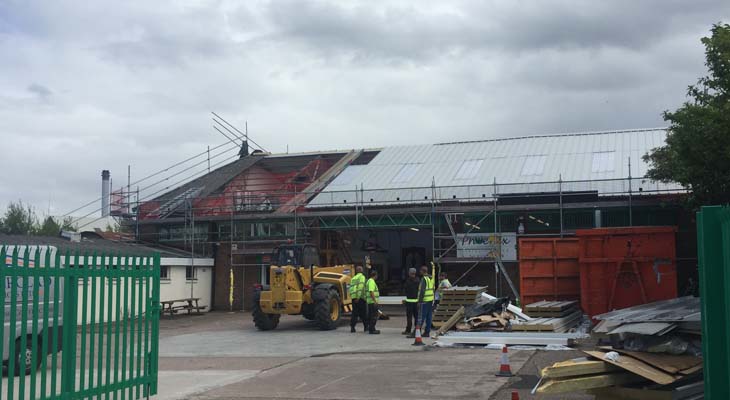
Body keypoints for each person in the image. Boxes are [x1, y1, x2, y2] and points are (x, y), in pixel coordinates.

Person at [416, 265, 435, 337]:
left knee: (421, 317)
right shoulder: (431, 278)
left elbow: (422, 291)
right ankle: (427, 332)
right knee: (429, 317)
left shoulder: (424, 279)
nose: (419, 272)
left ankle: (417, 332)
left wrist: (419, 301)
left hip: (424, 301)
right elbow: (432, 289)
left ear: (422, 271)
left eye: (420, 271)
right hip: (430, 300)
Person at [349, 265, 368, 333]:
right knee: (363, 314)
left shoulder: (353, 278)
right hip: (360, 298)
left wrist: (353, 297)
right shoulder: (362, 277)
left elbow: (350, 288)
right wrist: (358, 297)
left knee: (354, 313)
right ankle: (366, 327)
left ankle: (352, 327)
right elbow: (360, 287)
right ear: (361, 270)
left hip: (354, 298)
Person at [403, 268, 420, 336]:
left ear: (410, 273)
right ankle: (416, 330)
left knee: (409, 317)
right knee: (416, 317)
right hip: (416, 302)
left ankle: (408, 330)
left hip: (409, 302)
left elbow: (405, 290)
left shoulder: (408, 281)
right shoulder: (418, 280)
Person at [366, 270, 380, 334]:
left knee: (371, 315)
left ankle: (372, 328)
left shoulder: (369, 281)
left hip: (370, 302)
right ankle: (372, 330)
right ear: (375, 275)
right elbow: (371, 291)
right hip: (372, 302)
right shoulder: (371, 281)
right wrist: (375, 301)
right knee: (374, 316)